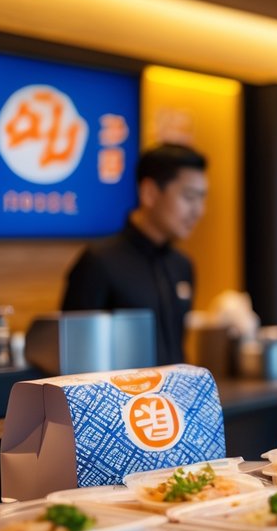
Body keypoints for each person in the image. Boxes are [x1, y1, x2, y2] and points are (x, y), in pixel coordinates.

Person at [61, 143, 208, 365]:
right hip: (120, 398)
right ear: (149, 193)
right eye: (189, 197)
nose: (198, 211)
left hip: (171, 398)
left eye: (202, 198)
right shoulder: (100, 261)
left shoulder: (182, 265)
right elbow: (74, 357)